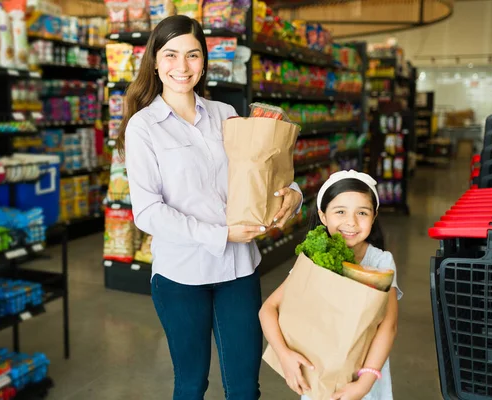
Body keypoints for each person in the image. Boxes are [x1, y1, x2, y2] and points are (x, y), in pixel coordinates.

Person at [116, 15, 303, 400]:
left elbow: (264, 170)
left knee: (244, 387)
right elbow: (148, 211)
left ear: (204, 62)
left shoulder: (225, 115)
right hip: (181, 275)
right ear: (154, 60)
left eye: (192, 55)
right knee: (190, 383)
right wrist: (222, 234)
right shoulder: (143, 127)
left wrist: (294, 194)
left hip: (239, 270)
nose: (181, 67)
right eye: (170, 55)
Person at [259, 170, 403, 400]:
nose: (351, 222)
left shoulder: (380, 262)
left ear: (374, 217)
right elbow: (267, 310)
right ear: (323, 216)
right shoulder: (314, 257)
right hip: (319, 376)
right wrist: (284, 355)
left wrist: (363, 385)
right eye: (340, 212)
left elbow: (388, 326)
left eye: (362, 213)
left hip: (363, 378)